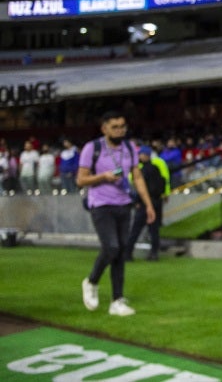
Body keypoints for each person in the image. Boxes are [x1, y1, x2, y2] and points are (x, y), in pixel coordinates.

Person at [77, 111, 155, 317]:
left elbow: (137, 177)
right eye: (115, 127)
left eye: (122, 126)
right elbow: (80, 180)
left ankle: (117, 300)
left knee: (121, 251)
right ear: (104, 129)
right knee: (111, 247)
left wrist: (148, 205)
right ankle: (91, 281)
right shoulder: (92, 148)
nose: (120, 130)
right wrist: (103, 176)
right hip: (101, 204)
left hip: (124, 204)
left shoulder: (129, 148)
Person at [126, 145, 170, 261]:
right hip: (156, 202)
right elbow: (164, 182)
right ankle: (154, 253)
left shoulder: (142, 171)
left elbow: (142, 189)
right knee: (154, 230)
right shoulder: (157, 168)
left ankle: (127, 253)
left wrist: (137, 201)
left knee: (135, 230)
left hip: (145, 204)